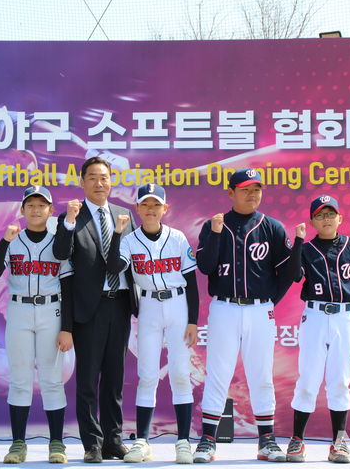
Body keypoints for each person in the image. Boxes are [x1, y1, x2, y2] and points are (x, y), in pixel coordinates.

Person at [192, 168, 294, 463]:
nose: (252, 194)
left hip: (260, 309)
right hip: (224, 307)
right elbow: (206, 267)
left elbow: (288, 271)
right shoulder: (215, 225)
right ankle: (208, 441)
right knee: (218, 375)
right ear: (230, 192)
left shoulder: (272, 227)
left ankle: (267, 441)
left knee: (261, 376)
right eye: (246, 189)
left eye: (256, 189)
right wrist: (213, 233)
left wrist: (272, 299)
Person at [104, 184, 199, 464]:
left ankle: (183, 441)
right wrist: (118, 232)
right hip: (148, 308)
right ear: (137, 208)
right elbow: (112, 267)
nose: (150, 209)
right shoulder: (130, 241)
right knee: (147, 375)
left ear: (164, 209)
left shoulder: (178, 238)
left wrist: (193, 320)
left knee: (181, 374)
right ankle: (142, 441)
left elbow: (192, 283)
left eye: (156, 204)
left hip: (178, 304)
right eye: (145, 204)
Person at [53, 156, 138, 463]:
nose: (99, 183)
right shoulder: (73, 216)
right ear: (83, 182)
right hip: (88, 308)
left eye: (104, 177)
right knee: (88, 380)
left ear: (111, 181)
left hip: (120, 305)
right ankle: (92, 443)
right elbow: (60, 253)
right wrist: (69, 222)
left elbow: (130, 261)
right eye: (92, 177)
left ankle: (114, 441)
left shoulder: (124, 215)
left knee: (115, 379)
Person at [0, 186, 74, 464]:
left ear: (50, 211)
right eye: (30, 205)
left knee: (51, 379)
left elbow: (69, 286)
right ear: (22, 210)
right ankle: (18, 443)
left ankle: (57, 442)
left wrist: (67, 327)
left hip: (51, 309)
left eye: (41, 205)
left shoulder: (59, 242)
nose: (36, 210)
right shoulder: (13, 240)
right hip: (19, 309)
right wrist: (4, 242)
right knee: (20, 379)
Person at [284, 195, 350, 464]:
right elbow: (294, 275)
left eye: (330, 213)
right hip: (315, 315)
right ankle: (297, 440)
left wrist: (348, 296)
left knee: (339, 380)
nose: (326, 219)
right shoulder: (307, 249)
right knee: (308, 379)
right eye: (320, 215)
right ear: (312, 221)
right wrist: (298, 241)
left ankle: (339, 443)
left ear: (340, 218)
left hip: (344, 317)